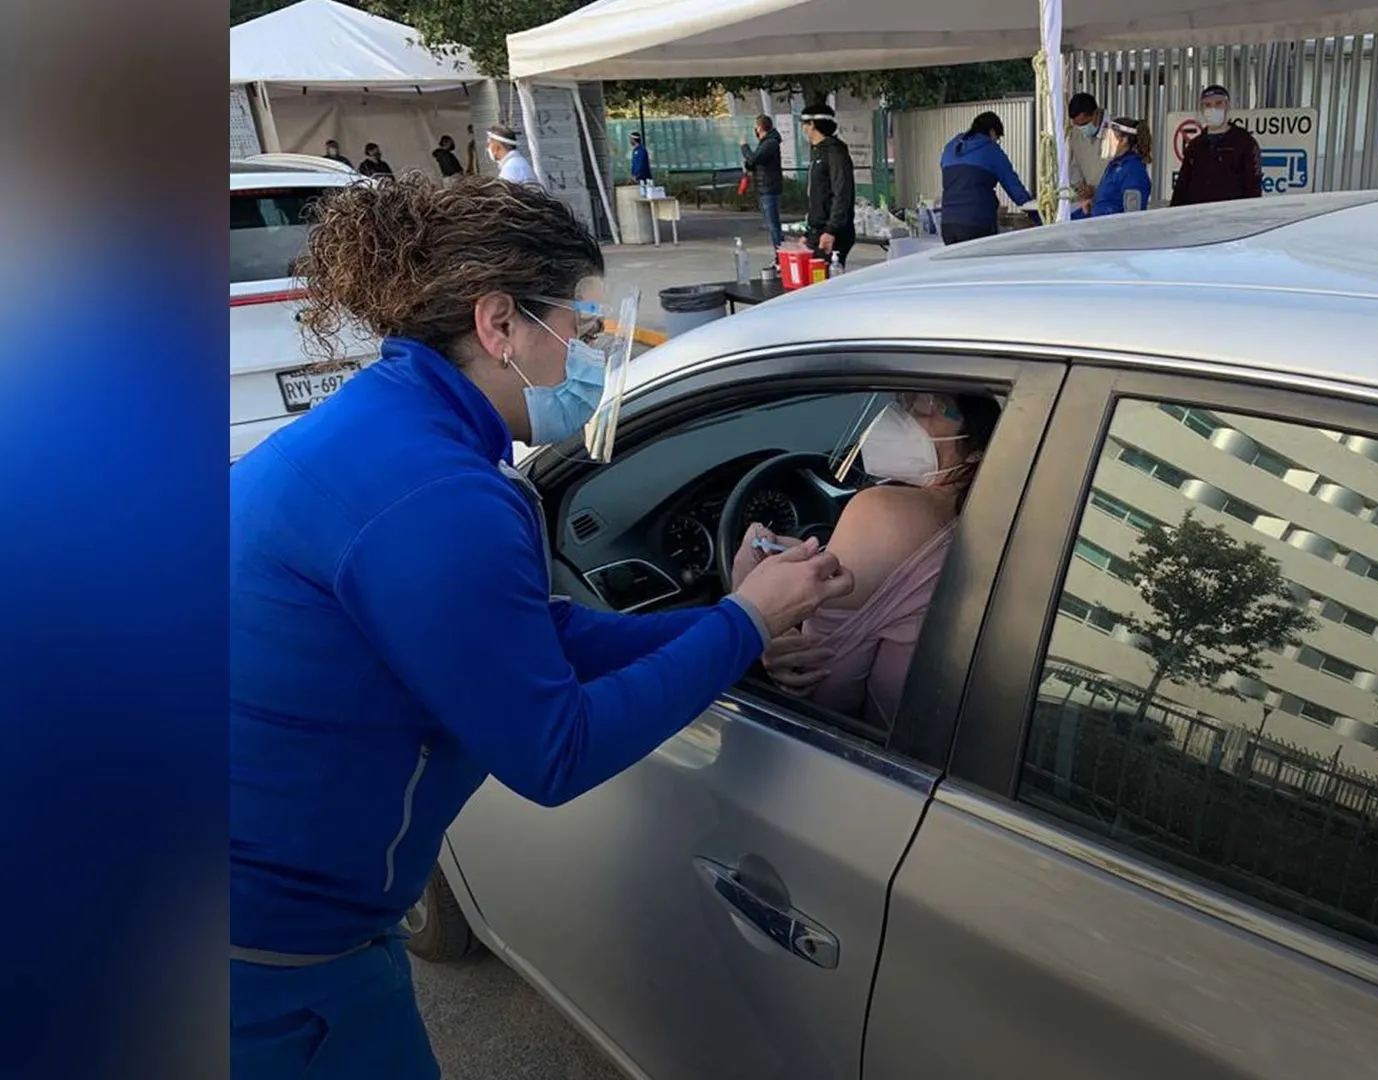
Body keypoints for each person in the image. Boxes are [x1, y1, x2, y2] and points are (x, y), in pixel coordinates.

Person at [229, 173, 854, 1080]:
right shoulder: (439, 499)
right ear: (499, 325)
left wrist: (730, 618)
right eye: (578, 326)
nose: (588, 355)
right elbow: (553, 753)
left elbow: (539, 636)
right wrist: (747, 624)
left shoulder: (389, 426)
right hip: (276, 962)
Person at [738, 392, 1000, 729]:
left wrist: (758, 594)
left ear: (978, 447)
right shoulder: (997, 520)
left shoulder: (884, 512)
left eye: (928, 406)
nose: (902, 415)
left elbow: (817, 689)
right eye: (904, 399)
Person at [938, 111, 1039, 246]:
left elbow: (957, 182)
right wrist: (1039, 218)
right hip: (976, 224)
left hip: (947, 224)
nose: (997, 142)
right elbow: (1016, 190)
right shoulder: (991, 150)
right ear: (992, 132)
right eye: (998, 138)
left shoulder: (951, 147)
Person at [1169, 84, 1263, 207]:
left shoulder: (1245, 142)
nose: (1213, 109)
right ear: (1202, 110)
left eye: (1218, 104)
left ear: (1227, 106)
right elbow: (1181, 187)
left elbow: (1253, 186)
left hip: (1230, 214)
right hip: (1197, 214)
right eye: (1207, 105)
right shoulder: (1194, 146)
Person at [800, 103, 855, 265]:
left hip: (831, 232)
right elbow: (818, 194)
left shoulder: (835, 153)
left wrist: (831, 230)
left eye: (804, 124)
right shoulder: (818, 152)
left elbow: (842, 192)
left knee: (827, 275)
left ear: (812, 124)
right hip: (818, 230)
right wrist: (809, 232)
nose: (803, 129)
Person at [1090, 118, 1154, 217]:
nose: (1104, 142)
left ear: (1123, 140)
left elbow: (1132, 217)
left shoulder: (1133, 172)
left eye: (1109, 138)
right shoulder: (1114, 166)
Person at [741, 114, 785, 257]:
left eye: (756, 127)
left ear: (760, 128)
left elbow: (754, 158)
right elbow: (756, 161)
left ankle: (780, 256)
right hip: (764, 187)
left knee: (773, 225)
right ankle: (780, 254)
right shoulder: (765, 143)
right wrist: (749, 164)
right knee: (771, 224)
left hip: (769, 188)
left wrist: (744, 146)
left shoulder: (770, 143)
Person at [1065, 92, 1110, 220]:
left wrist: (1096, 190)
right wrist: (1080, 188)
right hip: (1087, 205)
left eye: (1084, 124)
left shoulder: (1116, 134)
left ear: (1096, 113)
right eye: (1077, 125)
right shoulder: (1076, 133)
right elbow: (1075, 166)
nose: (1082, 129)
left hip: (1110, 205)